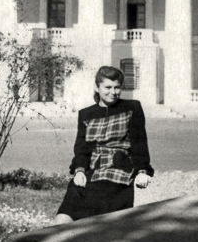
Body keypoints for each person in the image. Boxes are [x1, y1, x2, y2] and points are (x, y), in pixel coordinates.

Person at [52, 66, 153, 224]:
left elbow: (139, 143)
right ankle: (53, 237)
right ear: (96, 87)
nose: (113, 92)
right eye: (107, 87)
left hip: (118, 170)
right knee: (74, 193)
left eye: (117, 87)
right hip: (92, 169)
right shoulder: (86, 114)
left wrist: (142, 171)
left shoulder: (132, 108)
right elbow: (82, 149)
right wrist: (79, 171)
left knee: (100, 195)